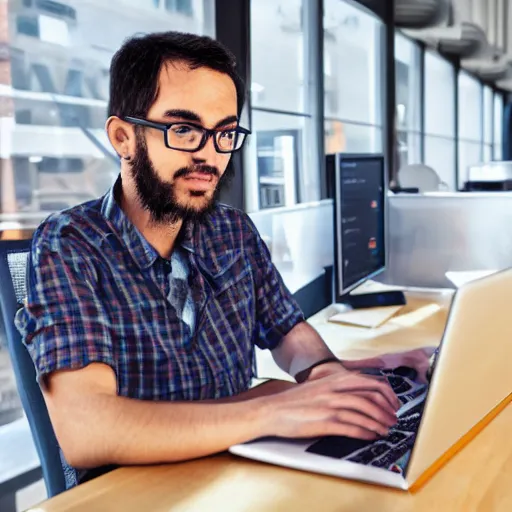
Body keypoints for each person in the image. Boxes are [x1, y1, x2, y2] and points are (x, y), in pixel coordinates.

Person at [15, 31, 432, 488]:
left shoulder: (232, 231)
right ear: (123, 137)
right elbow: (88, 431)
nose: (209, 155)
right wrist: (272, 407)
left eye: (225, 133)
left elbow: (290, 335)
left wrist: (332, 379)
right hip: (140, 493)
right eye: (184, 130)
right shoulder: (69, 244)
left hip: (239, 476)